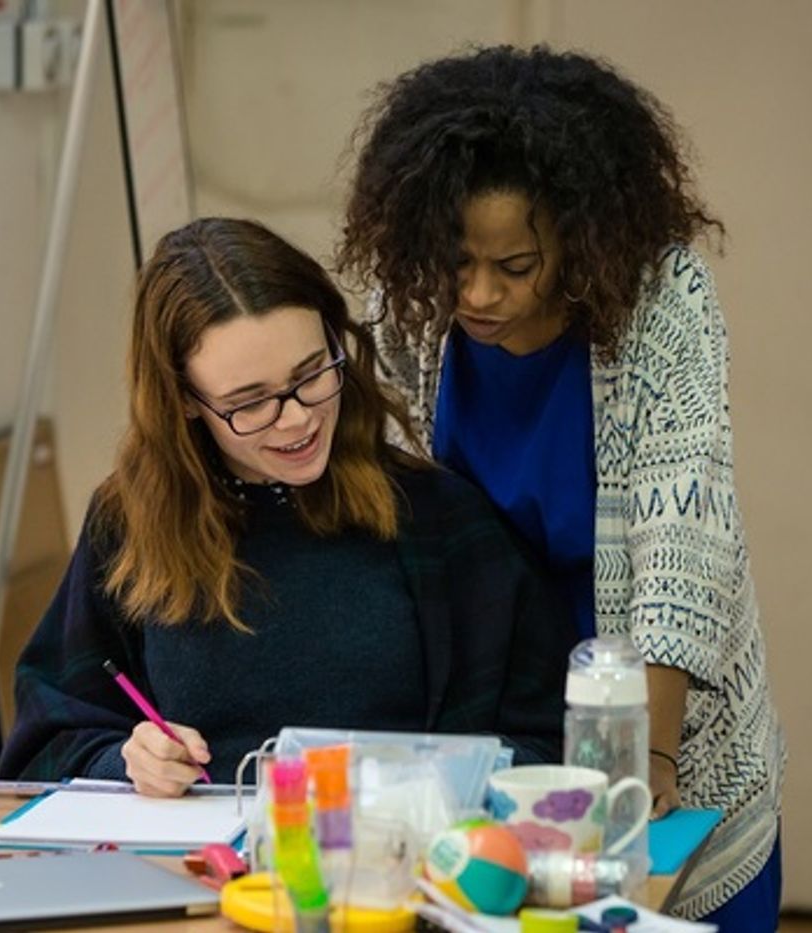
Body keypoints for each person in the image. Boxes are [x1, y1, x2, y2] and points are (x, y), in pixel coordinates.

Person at [335, 46, 785, 927]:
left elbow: (682, 536)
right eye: (459, 261)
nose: (478, 292)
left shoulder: (657, 301)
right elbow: (385, 512)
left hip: (655, 699)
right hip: (497, 706)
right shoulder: (415, 309)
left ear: (577, 248)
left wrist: (648, 755)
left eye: (515, 266)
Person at [0, 217, 575, 797]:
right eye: (250, 403)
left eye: (312, 374)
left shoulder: (440, 520)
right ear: (185, 401)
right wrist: (125, 764)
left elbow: (552, 742)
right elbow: (43, 745)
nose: (298, 419)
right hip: (204, 875)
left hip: (392, 871)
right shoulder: (131, 525)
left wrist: (446, 782)